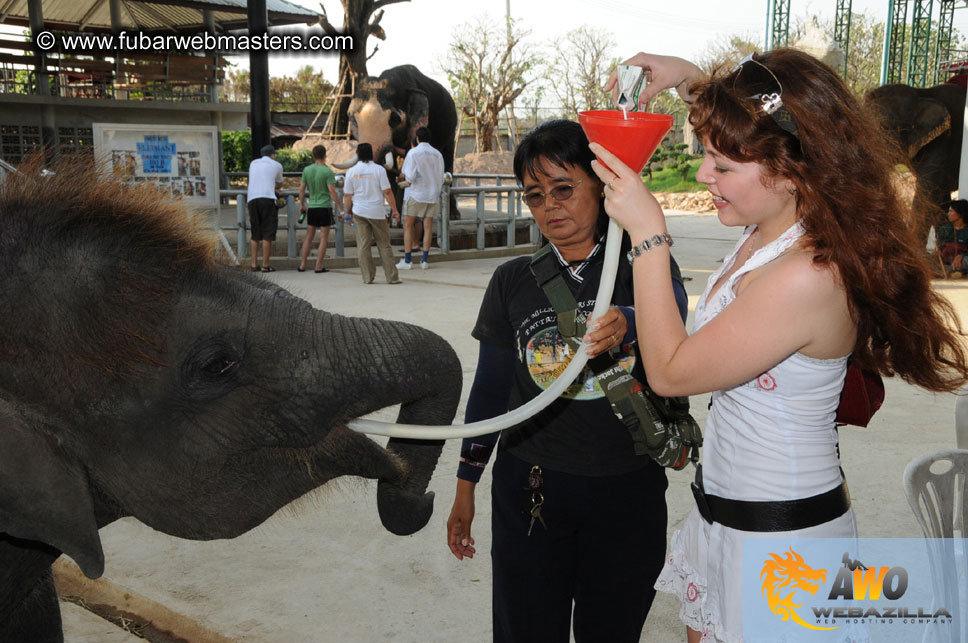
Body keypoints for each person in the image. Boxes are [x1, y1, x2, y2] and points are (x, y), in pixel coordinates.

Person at [593, 49, 968, 643]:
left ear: (793, 171)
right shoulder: (774, 225)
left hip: (782, 546)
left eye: (719, 165)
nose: (701, 176)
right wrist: (691, 78)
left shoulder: (810, 275)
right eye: (706, 157)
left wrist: (650, 235)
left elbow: (668, 371)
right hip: (728, 521)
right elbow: (764, 135)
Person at [446, 119, 690, 643]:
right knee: (526, 629)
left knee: (613, 630)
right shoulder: (511, 281)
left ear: (601, 185)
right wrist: (465, 486)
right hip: (531, 488)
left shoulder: (641, 260)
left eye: (564, 188)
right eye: (535, 196)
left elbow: (676, 309)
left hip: (628, 489)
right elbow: (490, 393)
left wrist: (627, 317)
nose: (550, 206)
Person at [342, 142, 402, 284]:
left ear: (357, 155)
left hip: (359, 212)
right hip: (377, 212)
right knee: (384, 245)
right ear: (372, 154)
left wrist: (347, 212)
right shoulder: (379, 170)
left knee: (363, 245)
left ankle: (367, 277)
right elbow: (387, 191)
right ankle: (392, 277)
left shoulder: (351, 172)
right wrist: (395, 209)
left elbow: (347, 195)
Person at [396, 127, 445, 270]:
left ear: (417, 138)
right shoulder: (437, 154)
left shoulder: (414, 153)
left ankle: (407, 260)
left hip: (416, 193)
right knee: (428, 226)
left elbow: (409, 177)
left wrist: (401, 180)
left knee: (407, 225)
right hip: (433, 194)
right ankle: (424, 260)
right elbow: (441, 174)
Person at [298, 144, 341, 273]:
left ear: (313, 156)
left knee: (309, 237)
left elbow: (301, 189)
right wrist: (339, 206)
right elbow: (332, 191)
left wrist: (302, 205)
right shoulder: (327, 171)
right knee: (323, 237)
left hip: (312, 206)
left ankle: (303, 264)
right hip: (324, 207)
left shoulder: (307, 170)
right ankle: (318, 265)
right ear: (325, 155)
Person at [246, 144, 284, 273]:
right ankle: (265, 265)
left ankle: (253, 264)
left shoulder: (253, 163)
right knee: (267, 233)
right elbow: (279, 183)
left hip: (252, 199)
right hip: (267, 198)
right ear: (272, 155)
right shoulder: (276, 165)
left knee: (255, 234)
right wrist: (275, 188)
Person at [935, 198, 968, 277]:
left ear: (960, 214)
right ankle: (954, 272)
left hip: (961, 260)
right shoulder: (944, 229)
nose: (948, 214)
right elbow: (939, 246)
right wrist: (938, 251)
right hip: (946, 259)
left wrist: (962, 256)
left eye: (951, 211)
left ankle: (945, 272)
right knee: (923, 257)